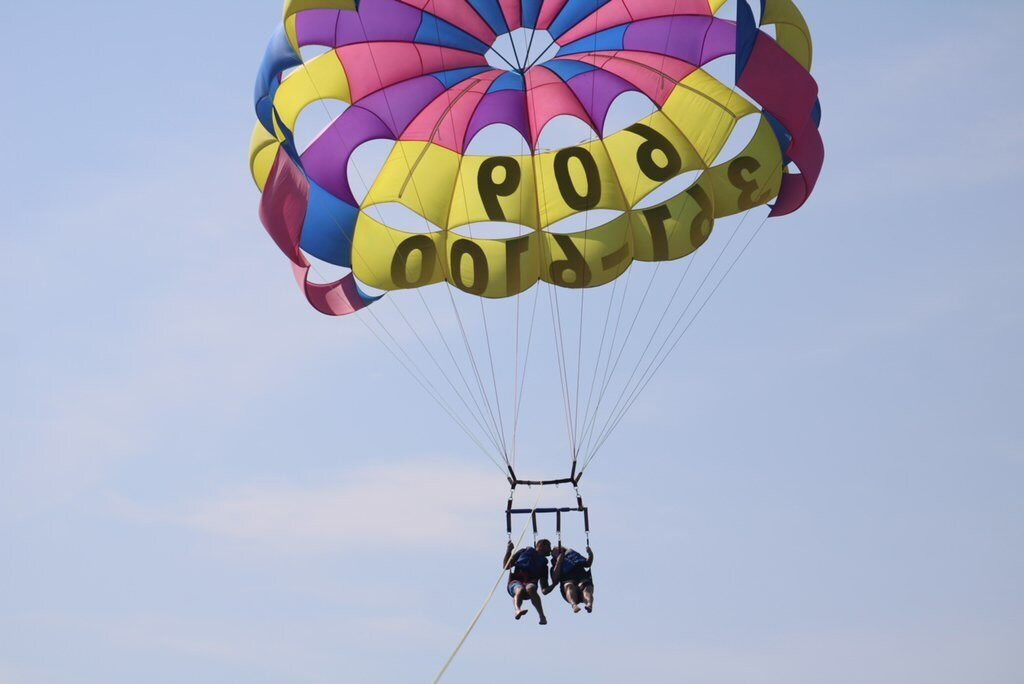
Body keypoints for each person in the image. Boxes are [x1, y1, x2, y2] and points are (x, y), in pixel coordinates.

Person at [503, 539, 554, 625]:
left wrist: (554, 584)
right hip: (516, 581)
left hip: (530, 583)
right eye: (549, 546)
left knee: (531, 588)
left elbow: (544, 590)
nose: (550, 549)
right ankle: (517, 610)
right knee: (519, 589)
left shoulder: (544, 566)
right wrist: (509, 550)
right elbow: (506, 566)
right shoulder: (523, 551)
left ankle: (542, 616)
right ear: (541, 545)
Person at [550, 545, 595, 614]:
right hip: (568, 581)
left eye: (555, 549)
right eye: (553, 552)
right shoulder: (554, 566)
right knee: (569, 585)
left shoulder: (572, 554)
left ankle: (589, 604)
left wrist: (590, 554)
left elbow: (587, 563)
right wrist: (559, 562)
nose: (553, 551)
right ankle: (574, 605)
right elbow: (554, 579)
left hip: (582, 577)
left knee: (586, 587)